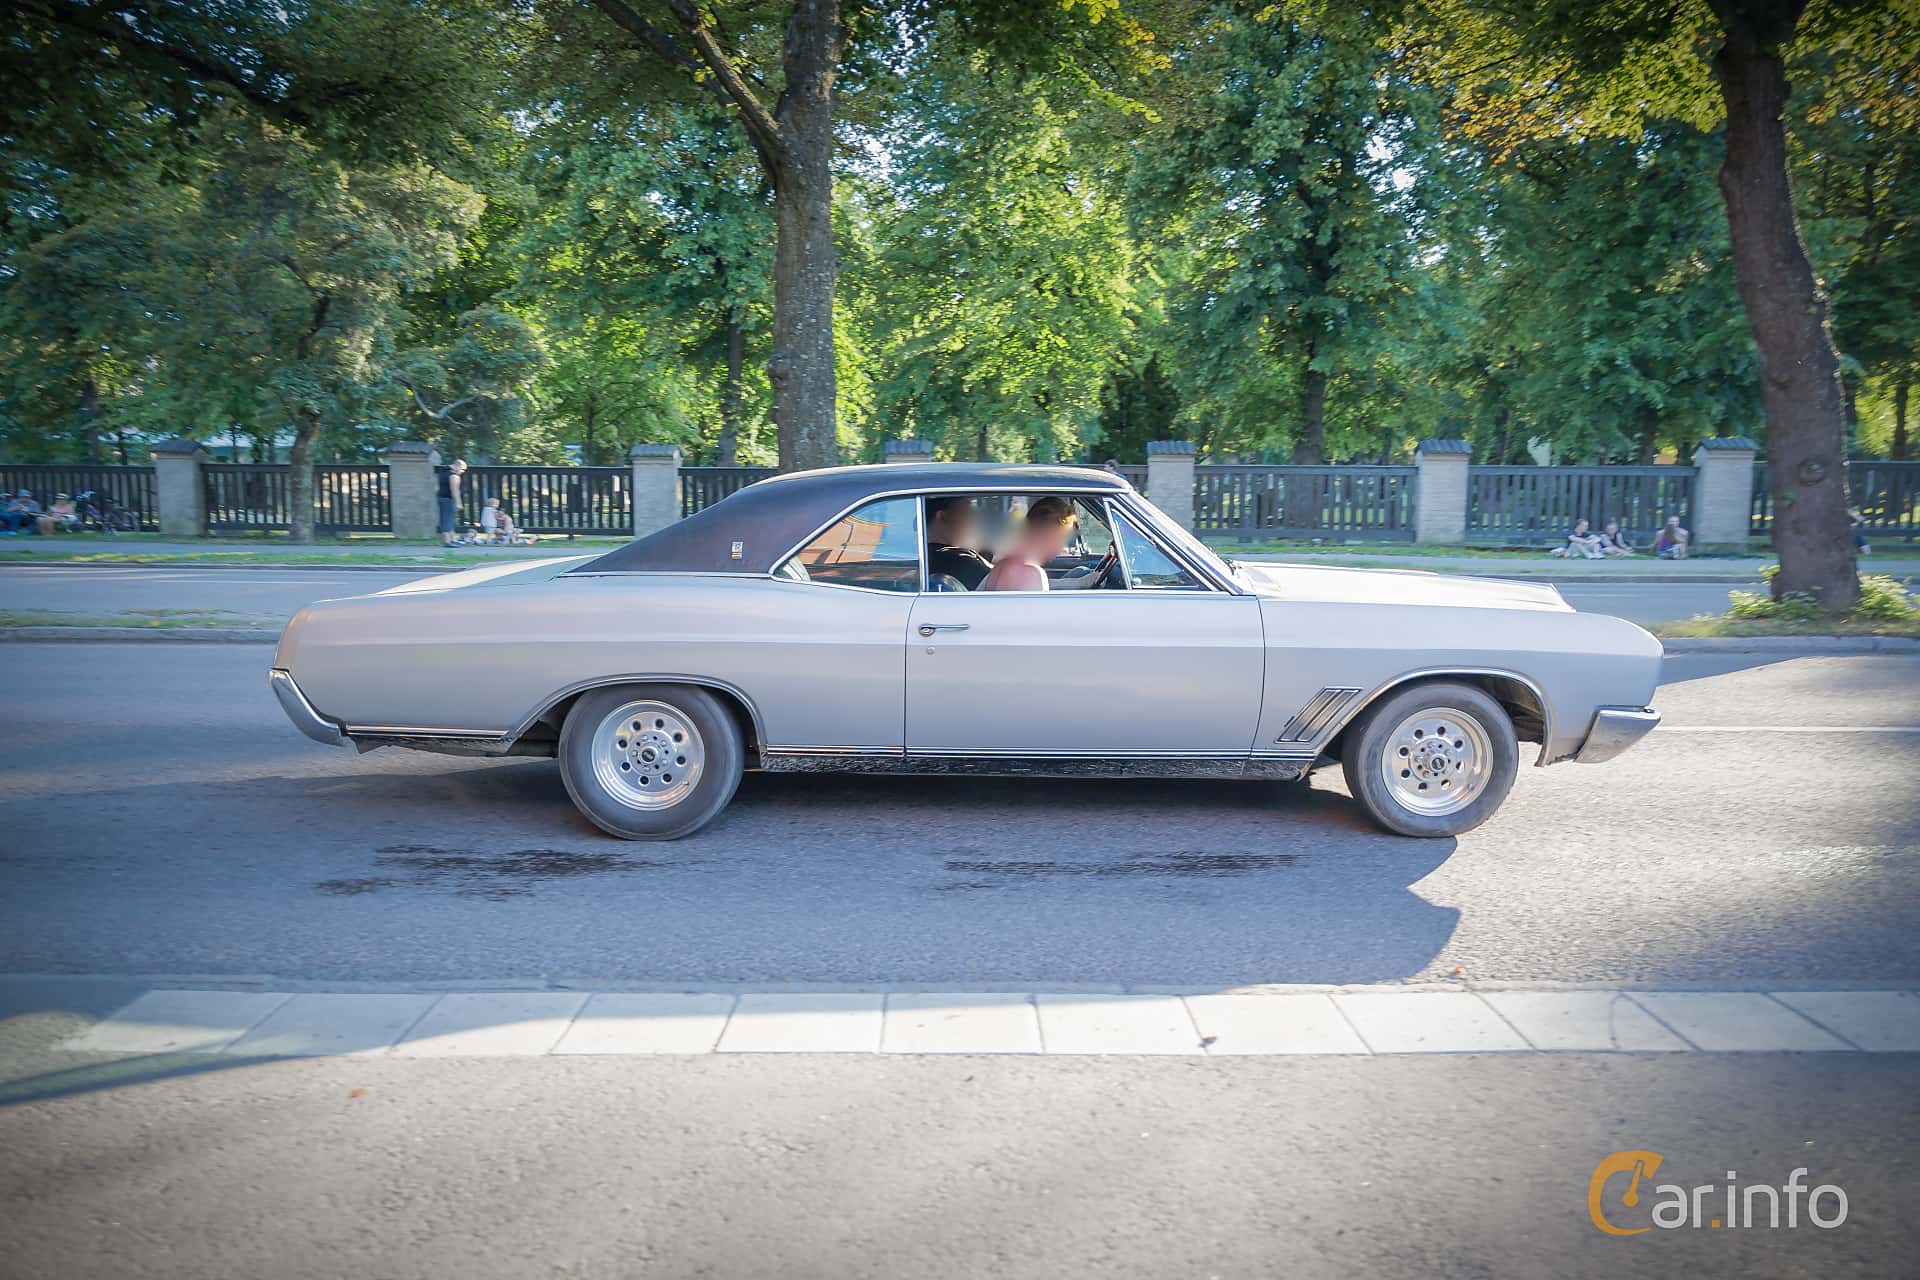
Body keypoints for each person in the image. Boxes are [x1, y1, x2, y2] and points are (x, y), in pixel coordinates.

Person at [976, 496, 1077, 592]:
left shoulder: (1001, 566)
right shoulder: (1030, 573)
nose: (1060, 548)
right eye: (1062, 538)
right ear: (1050, 534)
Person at [924, 495, 994, 590]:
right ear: (944, 516)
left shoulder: (924, 557)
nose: (976, 518)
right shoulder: (961, 562)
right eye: (968, 511)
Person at [435, 459, 467, 546]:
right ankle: (447, 541)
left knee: (449, 520)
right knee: (447, 520)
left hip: (442, 498)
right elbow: (455, 490)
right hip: (448, 499)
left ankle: (452, 539)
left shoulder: (444, 472)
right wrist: (458, 502)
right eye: (462, 469)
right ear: (457, 466)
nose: (463, 472)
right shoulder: (454, 476)